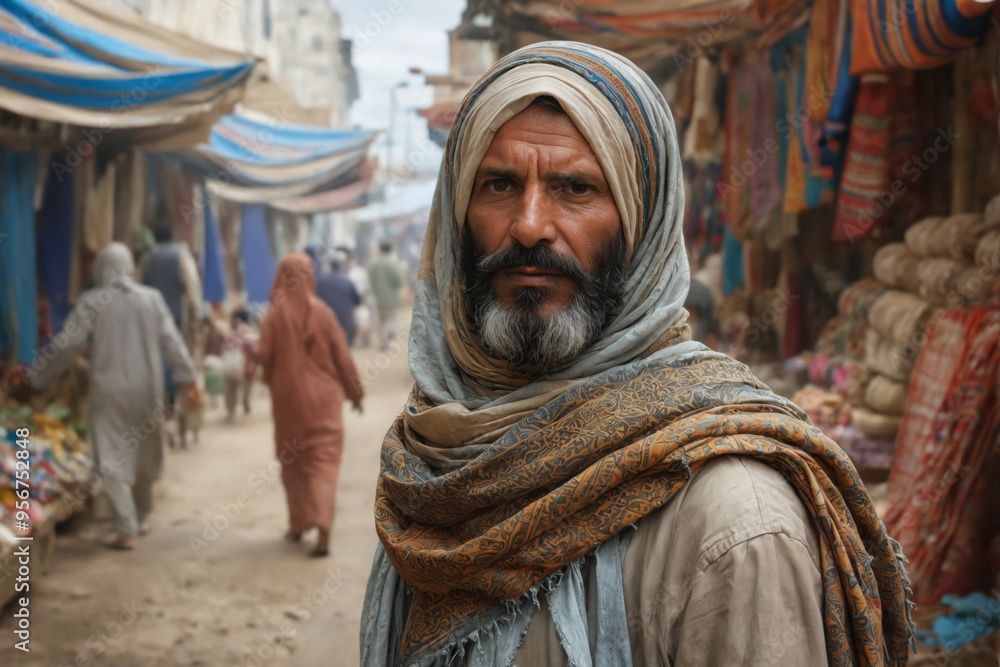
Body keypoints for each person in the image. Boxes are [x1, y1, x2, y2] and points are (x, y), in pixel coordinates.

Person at [360, 42, 912, 666]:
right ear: (456, 216)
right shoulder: (436, 466)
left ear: (643, 223)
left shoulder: (734, 523)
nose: (530, 224)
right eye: (499, 184)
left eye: (576, 187)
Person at [28, 243, 197, 550]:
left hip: (109, 391)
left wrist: (39, 377)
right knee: (145, 449)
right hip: (148, 389)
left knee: (110, 457)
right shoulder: (152, 299)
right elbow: (172, 342)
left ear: (101, 268)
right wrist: (188, 377)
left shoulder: (92, 301)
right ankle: (143, 516)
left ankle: (126, 528)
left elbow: (67, 344)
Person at [254, 254, 364, 557]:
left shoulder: (274, 315)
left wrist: (248, 352)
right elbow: (342, 356)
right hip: (324, 402)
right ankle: (323, 530)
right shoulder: (323, 314)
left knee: (294, 463)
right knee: (323, 463)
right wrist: (355, 393)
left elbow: (262, 355)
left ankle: (298, 524)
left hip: (289, 402)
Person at [314, 253, 362, 346]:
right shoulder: (348, 282)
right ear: (341, 266)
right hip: (346, 322)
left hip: (326, 322)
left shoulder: (320, 282)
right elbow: (357, 301)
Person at [221, 307, 258, 421]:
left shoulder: (232, 333)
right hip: (246, 365)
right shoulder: (251, 332)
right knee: (246, 386)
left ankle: (231, 411)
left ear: (237, 319)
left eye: (232, 318)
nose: (231, 320)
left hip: (238, 365)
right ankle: (244, 403)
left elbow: (225, 347)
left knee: (231, 388)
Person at [367, 240, 404, 351]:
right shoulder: (393, 262)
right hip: (392, 297)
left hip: (378, 297)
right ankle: (389, 338)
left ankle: (383, 342)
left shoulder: (374, 263)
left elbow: (370, 280)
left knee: (381, 321)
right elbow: (399, 280)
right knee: (392, 319)